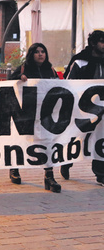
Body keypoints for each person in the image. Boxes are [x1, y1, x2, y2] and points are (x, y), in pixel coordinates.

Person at [8, 43, 61, 192]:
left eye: (43, 51)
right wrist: (19, 77)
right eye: (37, 52)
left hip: (45, 114)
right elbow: (9, 82)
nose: (40, 54)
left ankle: (49, 176)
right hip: (27, 113)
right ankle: (14, 168)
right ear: (32, 54)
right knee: (21, 141)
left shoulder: (50, 69)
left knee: (48, 143)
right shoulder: (24, 68)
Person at [61, 30, 104, 186]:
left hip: (102, 110)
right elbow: (68, 84)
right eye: (102, 41)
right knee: (77, 137)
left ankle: (100, 174)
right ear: (93, 43)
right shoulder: (80, 62)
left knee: (101, 139)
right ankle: (66, 161)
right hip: (82, 108)